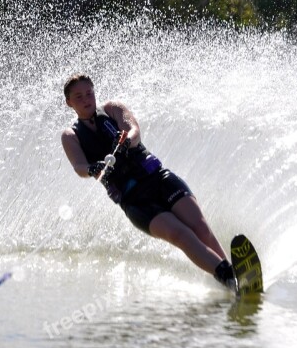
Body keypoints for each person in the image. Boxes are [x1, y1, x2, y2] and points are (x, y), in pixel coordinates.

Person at [60, 73, 237, 291]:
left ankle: (230, 275)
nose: (86, 99)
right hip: (134, 200)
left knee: (199, 227)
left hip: (158, 178)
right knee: (179, 234)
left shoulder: (112, 109)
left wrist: (126, 141)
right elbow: (79, 167)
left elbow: (134, 130)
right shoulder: (71, 135)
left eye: (89, 93)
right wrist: (92, 168)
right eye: (78, 97)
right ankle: (227, 276)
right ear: (69, 103)